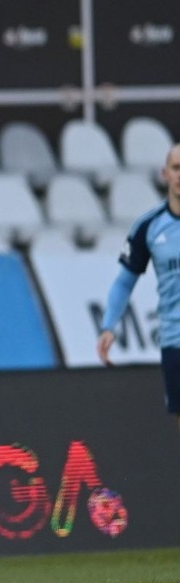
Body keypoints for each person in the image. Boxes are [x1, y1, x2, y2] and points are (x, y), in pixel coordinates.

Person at [97, 142, 180, 429]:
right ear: (165, 174)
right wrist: (109, 326)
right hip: (175, 340)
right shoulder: (149, 227)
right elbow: (124, 282)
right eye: (176, 168)